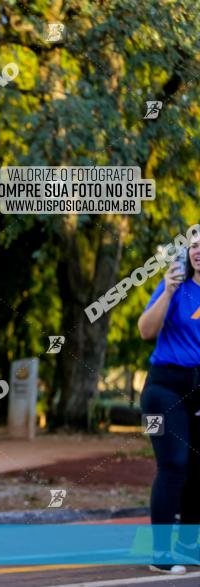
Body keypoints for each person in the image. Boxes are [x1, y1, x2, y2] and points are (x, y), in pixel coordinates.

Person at [137, 231, 200, 574]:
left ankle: (189, 546)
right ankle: (161, 555)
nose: (198, 250)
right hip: (164, 387)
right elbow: (145, 330)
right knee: (174, 464)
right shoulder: (174, 286)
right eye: (194, 244)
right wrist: (169, 291)